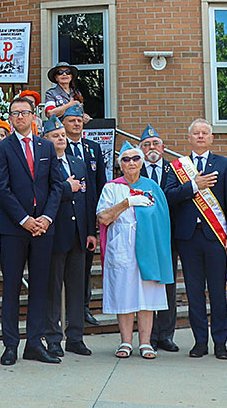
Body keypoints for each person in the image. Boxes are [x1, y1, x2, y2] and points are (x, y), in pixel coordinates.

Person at [0, 96, 66, 365]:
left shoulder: (46, 146)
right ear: (10, 118)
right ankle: (10, 345)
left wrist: (45, 218)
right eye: (15, 113)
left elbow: (57, 186)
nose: (20, 117)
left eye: (25, 113)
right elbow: (0, 188)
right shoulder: (2, 148)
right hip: (14, 228)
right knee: (11, 287)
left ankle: (34, 343)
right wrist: (24, 219)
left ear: (34, 117)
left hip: (44, 229)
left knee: (40, 288)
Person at [162, 118, 227, 360]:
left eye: (204, 133)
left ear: (211, 138)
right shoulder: (177, 167)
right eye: (195, 133)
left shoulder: (225, 164)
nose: (200, 137)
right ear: (189, 138)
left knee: (217, 291)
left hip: (216, 237)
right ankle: (199, 342)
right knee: (194, 292)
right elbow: (168, 196)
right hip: (188, 238)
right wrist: (193, 186)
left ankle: (220, 342)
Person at [98, 142, 174, 359]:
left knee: (147, 297)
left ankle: (146, 343)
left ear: (142, 162)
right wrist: (127, 202)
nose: (131, 163)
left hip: (148, 248)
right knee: (124, 296)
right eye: (125, 159)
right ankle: (125, 342)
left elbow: (162, 222)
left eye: (135, 158)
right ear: (119, 164)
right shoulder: (111, 187)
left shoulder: (153, 187)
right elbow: (103, 217)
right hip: (122, 247)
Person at [43, 116, 96, 358]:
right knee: (53, 289)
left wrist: (89, 232)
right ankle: (53, 338)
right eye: (55, 135)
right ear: (45, 140)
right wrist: (66, 187)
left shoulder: (77, 163)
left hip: (77, 235)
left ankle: (75, 337)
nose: (61, 139)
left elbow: (86, 199)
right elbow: (44, 197)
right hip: (54, 234)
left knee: (77, 288)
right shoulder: (43, 163)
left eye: (63, 135)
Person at [61, 104, 108, 329]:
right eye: (72, 120)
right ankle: (67, 311)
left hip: (88, 215)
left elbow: (100, 183)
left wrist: (98, 217)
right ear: (63, 123)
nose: (76, 123)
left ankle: (83, 308)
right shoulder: (57, 148)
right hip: (66, 215)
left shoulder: (93, 148)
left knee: (85, 267)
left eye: (79, 120)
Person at [141, 125, 180, 353]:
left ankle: (165, 334)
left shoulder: (174, 170)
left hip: (169, 237)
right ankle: (149, 335)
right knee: (146, 285)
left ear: (163, 148)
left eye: (155, 143)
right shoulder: (135, 170)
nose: (151, 148)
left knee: (168, 285)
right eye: (146, 144)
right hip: (144, 238)